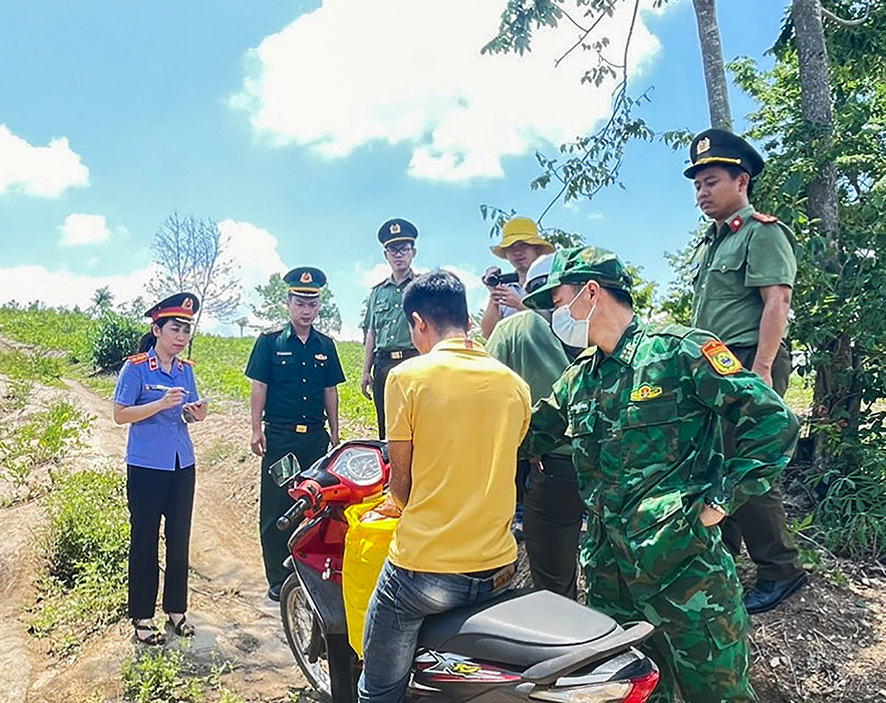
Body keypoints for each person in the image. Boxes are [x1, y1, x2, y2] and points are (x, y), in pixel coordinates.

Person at [522, 246, 799, 703]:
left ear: (590, 293)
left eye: (557, 303)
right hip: (613, 585)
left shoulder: (678, 352)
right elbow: (525, 437)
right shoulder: (578, 380)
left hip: (687, 579)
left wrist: (723, 498)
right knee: (636, 694)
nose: (555, 317)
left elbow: (773, 420)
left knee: (719, 695)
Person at [358, 271, 531, 703]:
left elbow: (402, 488)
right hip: (498, 569)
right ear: (468, 320)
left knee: (377, 688)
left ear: (418, 323)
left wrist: (394, 503)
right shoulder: (514, 385)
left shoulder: (407, 377)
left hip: (426, 575)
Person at [685, 128, 807, 614]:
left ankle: (781, 570)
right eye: (697, 184)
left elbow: (776, 303)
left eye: (711, 181)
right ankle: (727, 562)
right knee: (716, 462)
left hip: (747, 361)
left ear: (742, 180)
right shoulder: (711, 243)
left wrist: (757, 373)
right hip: (714, 365)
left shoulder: (762, 232)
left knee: (748, 466)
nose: (702, 191)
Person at [485, 253, 584, 598]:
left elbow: (484, 384)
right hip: (606, 466)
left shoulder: (514, 328)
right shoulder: (596, 325)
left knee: (552, 582)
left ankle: (566, 639)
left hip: (550, 462)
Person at [245, 267, 345, 602]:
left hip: (315, 439)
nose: (306, 309)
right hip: (281, 439)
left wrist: (335, 432)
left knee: (317, 506)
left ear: (319, 306)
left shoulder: (325, 346)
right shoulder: (269, 343)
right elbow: (259, 387)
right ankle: (277, 577)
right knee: (277, 507)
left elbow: (330, 390)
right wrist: (255, 428)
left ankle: (311, 572)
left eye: (312, 303)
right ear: (288, 303)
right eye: (300, 302)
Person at [113, 292, 208, 645]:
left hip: (182, 462)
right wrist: (156, 404)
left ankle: (176, 610)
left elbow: (184, 412)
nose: (181, 336)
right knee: (144, 540)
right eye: (175, 328)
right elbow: (120, 414)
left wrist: (195, 414)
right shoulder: (136, 367)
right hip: (146, 465)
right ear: (157, 329)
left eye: (186, 329)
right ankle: (141, 616)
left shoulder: (185, 371)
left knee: (179, 538)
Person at [361, 218, 419, 439]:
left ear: (413, 252)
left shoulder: (421, 287)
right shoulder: (377, 292)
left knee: (416, 424)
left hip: (413, 361)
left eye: (403, 248)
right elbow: (371, 332)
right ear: (386, 255)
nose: (398, 254)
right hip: (383, 366)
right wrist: (366, 371)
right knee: (386, 429)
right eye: (392, 249)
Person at [479, 216, 554, 338]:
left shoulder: (551, 283)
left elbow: (552, 330)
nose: (517, 252)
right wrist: (494, 294)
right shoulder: (506, 289)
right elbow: (488, 335)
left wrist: (519, 305)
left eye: (523, 246)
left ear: (537, 249)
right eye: (510, 248)